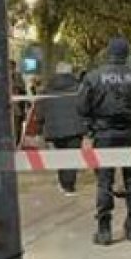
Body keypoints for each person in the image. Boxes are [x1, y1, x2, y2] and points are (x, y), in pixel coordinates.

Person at [79, 37, 131, 245]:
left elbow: (81, 106)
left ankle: (104, 230)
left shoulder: (94, 77)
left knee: (104, 182)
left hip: (103, 135)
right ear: (127, 53)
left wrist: (90, 127)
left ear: (108, 53)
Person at [34, 63, 87, 196]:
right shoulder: (79, 88)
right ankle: (69, 186)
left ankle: (63, 183)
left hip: (54, 128)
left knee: (60, 155)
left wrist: (40, 126)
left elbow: (40, 111)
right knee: (72, 156)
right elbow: (85, 107)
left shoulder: (46, 89)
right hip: (75, 127)